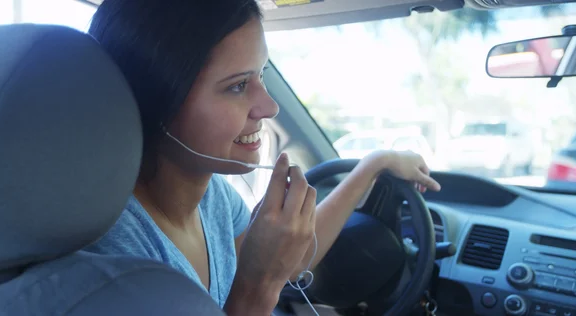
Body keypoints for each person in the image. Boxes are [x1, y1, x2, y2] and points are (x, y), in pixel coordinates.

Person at [83, 0, 442, 315]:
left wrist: (372, 166)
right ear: (157, 102)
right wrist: (256, 290)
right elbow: (263, 277)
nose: (269, 106)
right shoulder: (116, 255)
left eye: (262, 76)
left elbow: (288, 259)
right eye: (238, 86)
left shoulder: (213, 197)